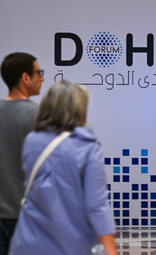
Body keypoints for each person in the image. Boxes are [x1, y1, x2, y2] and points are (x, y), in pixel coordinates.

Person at [9, 81, 118, 255]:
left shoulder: (32, 141)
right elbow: (96, 206)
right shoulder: (87, 147)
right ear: (79, 109)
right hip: (70, 245)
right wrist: (111, 251)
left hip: (28, 243)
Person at [0, 52, 44, 255]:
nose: (42, 78)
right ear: (25, 78)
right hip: (28, 218)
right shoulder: (39, 116)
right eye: (38, 73)